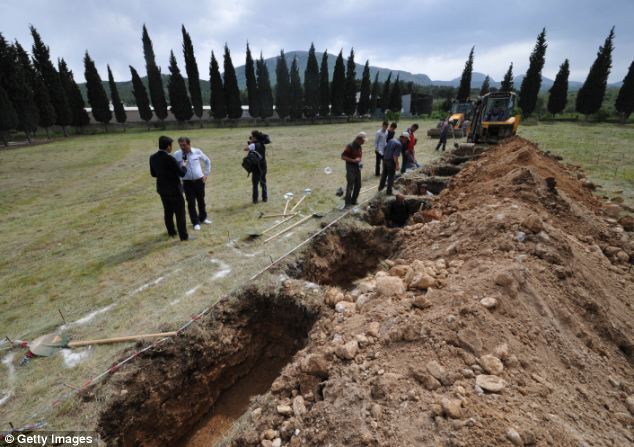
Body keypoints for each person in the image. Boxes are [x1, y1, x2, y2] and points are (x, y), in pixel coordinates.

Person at [149, 136, 189, 241]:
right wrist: (184, 165)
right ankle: (183, 237)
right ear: (168, 147)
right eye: (171, 146)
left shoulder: (152, 157)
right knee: (180, 214)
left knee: (168, 212)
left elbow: (153, 174)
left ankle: (171, 232)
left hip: (162, 190)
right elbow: (182, 173)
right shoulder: (170, 158)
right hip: (174, 190)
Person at [172, 137, 212, 231]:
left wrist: (206, 174)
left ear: (189, 144)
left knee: (201, 200)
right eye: (180, 145)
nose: (182, 147)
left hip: (199, 181)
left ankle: (203, 218)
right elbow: (175, 169)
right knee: (191, 203)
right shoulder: (177, 155)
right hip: (187, 183)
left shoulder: (197, 151)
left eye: (184, 145)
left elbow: (207, 161)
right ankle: (195, 222)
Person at [378, 131, 409, 196]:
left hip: (385, 159)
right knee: (391, 176)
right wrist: (397, 165)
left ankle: (380, 188)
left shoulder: (392, 140)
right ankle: (389, 192)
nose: (406, 141)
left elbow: (385, 148)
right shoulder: (399, 144)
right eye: (406, 139)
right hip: (391, 161)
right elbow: (395, 156)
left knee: (384, 175)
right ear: (403, 138)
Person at [341, 131, 366, 208]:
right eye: (363, 140)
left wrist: (360, 163)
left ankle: (353, 200)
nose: (364, 142)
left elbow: (359, 157)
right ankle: (347, 203)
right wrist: (353, 160)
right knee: (350, 186)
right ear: (358, 139)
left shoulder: (359, 146)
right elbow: (343, 156)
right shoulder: (350, 146)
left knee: (358, 185)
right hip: (350, 168)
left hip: (357, 168)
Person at [245, 130, 269, 203]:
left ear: (254, 137)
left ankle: (255, 200)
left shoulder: (253, 145)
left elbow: (245, 149)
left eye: (252, 136)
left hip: (256, 166)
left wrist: (251, 143)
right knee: (263, 182)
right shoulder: (262, 144)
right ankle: (265, 198)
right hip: (263, 165)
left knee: (255, 183)